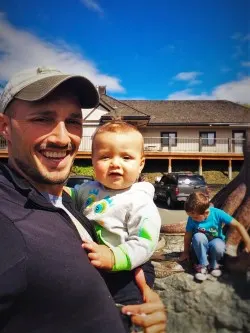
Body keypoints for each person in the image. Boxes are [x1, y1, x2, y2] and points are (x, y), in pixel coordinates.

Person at [0, 67, 167, 333]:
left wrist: (145, 295)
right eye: (43, 118)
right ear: (5, 127)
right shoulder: (7, 219)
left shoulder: (67, 202)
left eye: (74, 121)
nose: (62, 138)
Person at [66, 120, 161, 329]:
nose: (115, 163)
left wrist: (115, 257)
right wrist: (61, 192)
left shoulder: (140, 201)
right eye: (105, 156)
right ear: (93, 160)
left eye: (126, 157)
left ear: (141, 163)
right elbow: (70, 199)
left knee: (124, 310)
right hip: (96, 267)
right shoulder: (88, 189)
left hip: (128, 269)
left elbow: (145, 242)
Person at [179, 191, 250, 281]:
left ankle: (214, 265)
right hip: (200, 246)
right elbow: (188, 235)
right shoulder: (192, 219)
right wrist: (185, 252)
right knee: (198, 237)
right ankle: (202, 265)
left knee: (218, 245)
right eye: (191, 217)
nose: (193, 219)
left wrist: (248, 242)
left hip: (215, 241)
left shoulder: (217, 213)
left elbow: (238, 225)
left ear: (206, 212)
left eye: (196, 217)